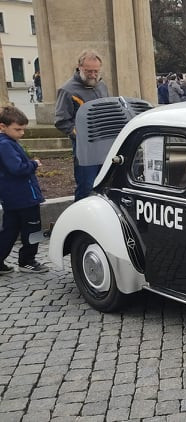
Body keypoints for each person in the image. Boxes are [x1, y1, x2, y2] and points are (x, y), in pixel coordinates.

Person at [54, 49, 109, 202]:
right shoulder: (67, 90)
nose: (93, 74)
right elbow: (61, 121)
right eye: (89, 71)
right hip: (84, 150)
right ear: (79, 67)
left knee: (104, 185)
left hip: (104, 146)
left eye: (96, 71)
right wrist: (80, 136)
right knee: (86, 187)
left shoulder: (102, 85)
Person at [0, 106, 48, 274]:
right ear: (2, 127)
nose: (21, 133)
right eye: (17, 129)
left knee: (9, 230)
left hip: (12, 198)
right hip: (24, 198)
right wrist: (34, 164)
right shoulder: (5, 144)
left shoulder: (8, 142)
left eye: (23, 129)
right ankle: (28, 260)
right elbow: (18, 169)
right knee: (33, 229)